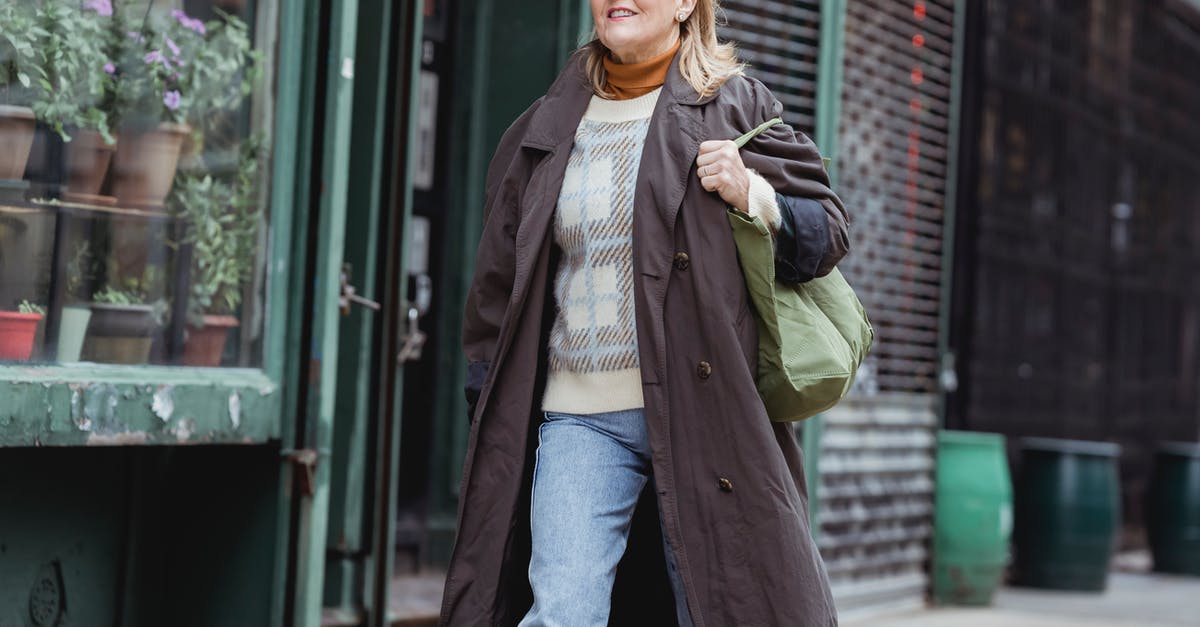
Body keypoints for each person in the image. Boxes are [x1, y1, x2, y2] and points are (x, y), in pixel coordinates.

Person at [440, 1, 849, 625]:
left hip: (702, 410)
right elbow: (499, 282)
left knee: (719, 608)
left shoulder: (735, 106)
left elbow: (827, 234)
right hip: (579, 418)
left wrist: (753, 194)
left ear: (687, 4)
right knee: (562, 612)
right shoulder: (545, 125)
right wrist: (487, 396)